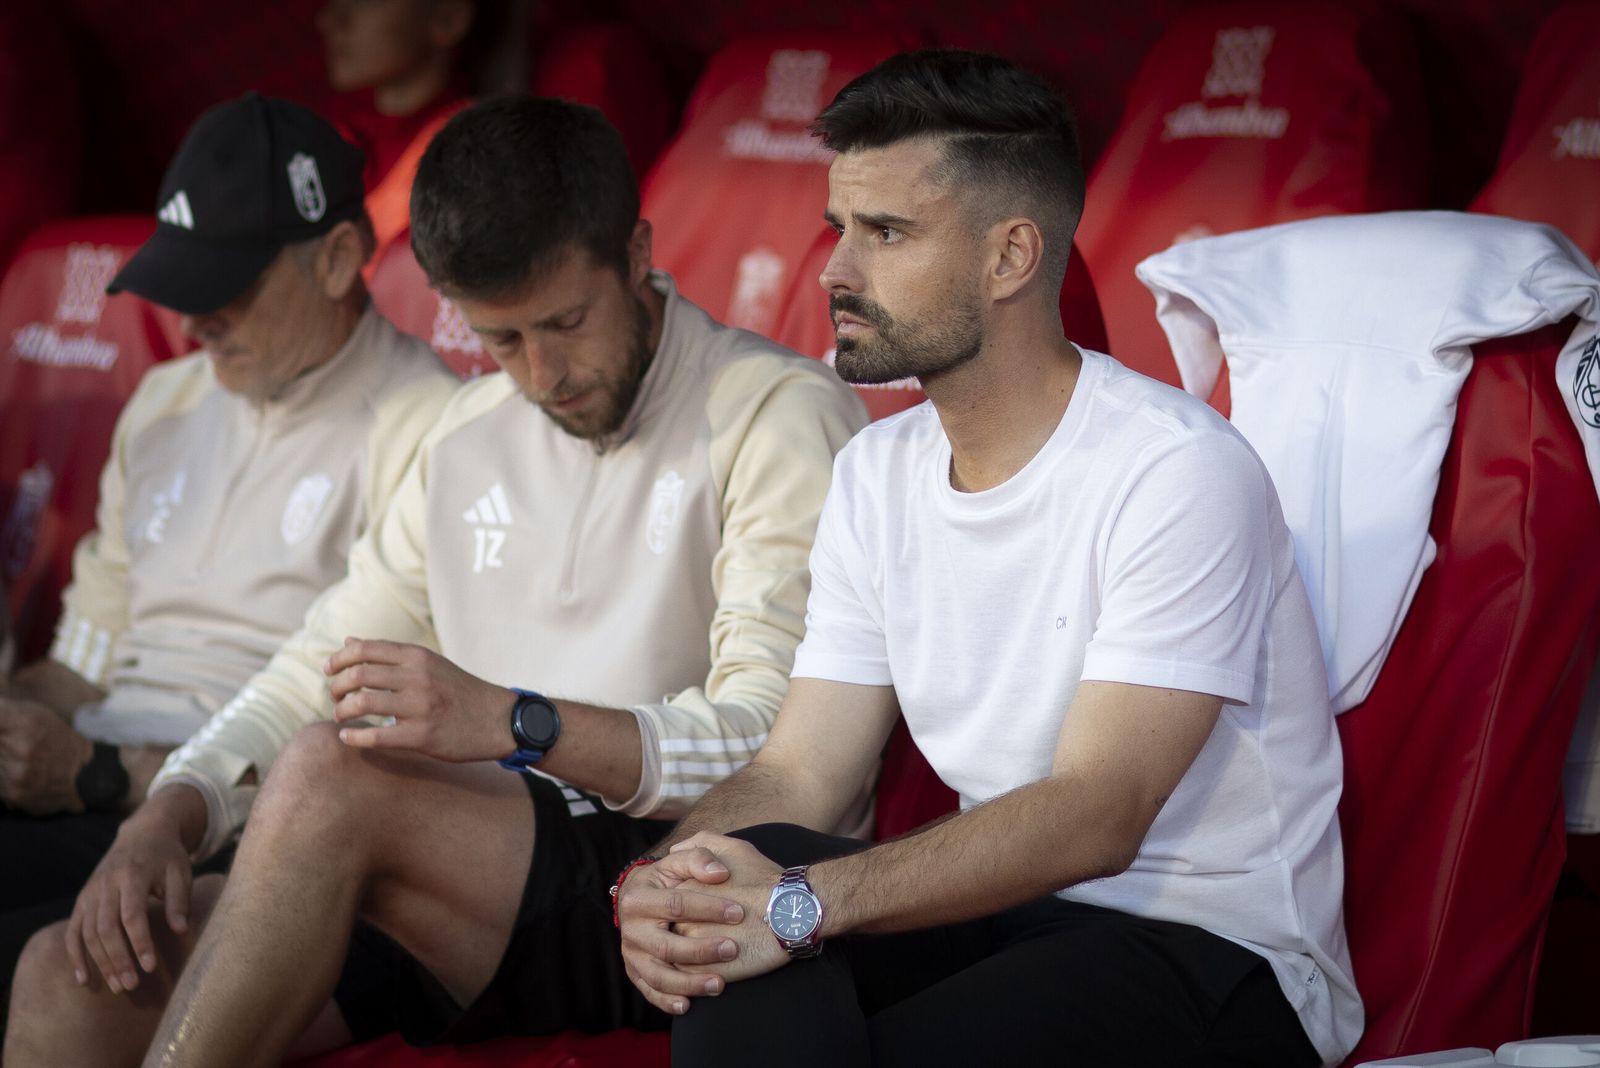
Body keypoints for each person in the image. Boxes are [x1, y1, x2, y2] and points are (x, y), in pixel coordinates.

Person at [3, 96, 867, 1067]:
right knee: (61, 980)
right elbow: (314, 661)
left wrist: (517, 721)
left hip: (667, 876)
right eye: (501, 340)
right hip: (459, 870)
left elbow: (783, 755)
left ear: (635, 254)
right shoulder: (467, 432)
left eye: (566, 322)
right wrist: (176, 805)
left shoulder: (776, 414)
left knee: (333, 774)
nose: (542, 375)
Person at [614, 49, 1363, 1067]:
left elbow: (1098, 812)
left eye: (885, 233)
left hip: (1210, 953)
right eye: (840, 228)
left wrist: (801, 906)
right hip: (999, 914)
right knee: (742, 869)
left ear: (1010, 257)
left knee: (788, 916)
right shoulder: (877, 470)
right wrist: (669, 878)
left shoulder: (1176, 472)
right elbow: (803, 767)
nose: (833, 269)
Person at [0, 91, 456, 1013]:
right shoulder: (163, 405)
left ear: (336, 260)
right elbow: (82, 665)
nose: (196, 319)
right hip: (86, 791)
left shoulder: (431, 426)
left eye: (228, 287)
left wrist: (103, 778)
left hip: (228, 830)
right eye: (181, 283)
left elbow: (361, 746)